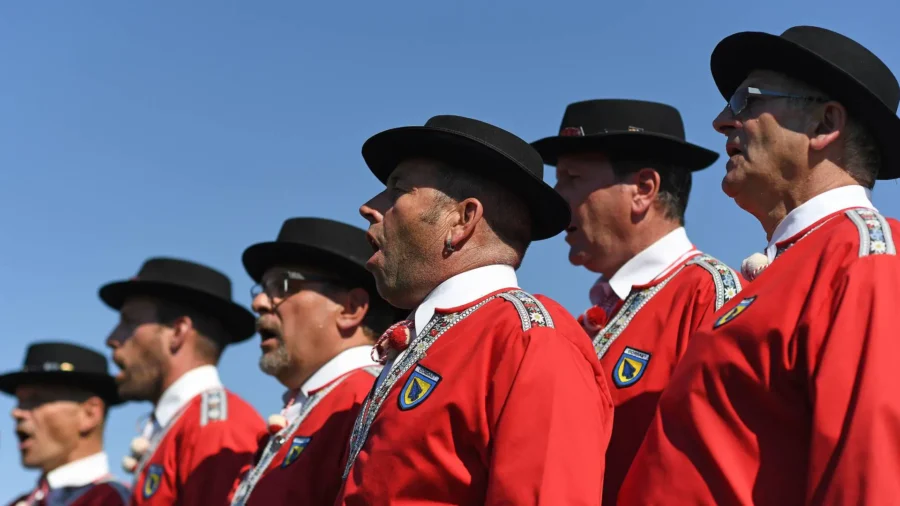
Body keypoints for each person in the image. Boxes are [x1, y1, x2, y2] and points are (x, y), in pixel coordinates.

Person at [619, 26, 900, 505]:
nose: (721, 122)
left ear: (824, 126)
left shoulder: (864, 257)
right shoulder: (806, 258)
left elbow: (870, 475)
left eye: (746, 101)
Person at [335, 114, 614, 505]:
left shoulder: (528, 339)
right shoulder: (435, 338)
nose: (368, 207)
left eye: (397, 189)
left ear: (462, 220)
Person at [531, 98, 744, 504]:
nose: (556, 198)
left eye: (571, 178)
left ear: (644, 189)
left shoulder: (708, 295)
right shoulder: (603, 312)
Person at [228, 217, 403, 505]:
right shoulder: (320, 401)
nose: (258, 303)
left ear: (350, 309)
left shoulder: (368, 400)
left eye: (282, 285)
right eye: (262, 289)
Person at [100, 257, 266, 505]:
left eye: (129, 322)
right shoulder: (186, 423)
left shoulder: (216, 429)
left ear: (177, 332)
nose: (112, 338)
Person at [2, 342, 130, 506]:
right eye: (20, 401)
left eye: (36, 400)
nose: (16, 412)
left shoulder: (114, 500)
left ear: (90, 413)